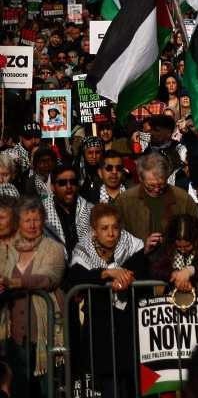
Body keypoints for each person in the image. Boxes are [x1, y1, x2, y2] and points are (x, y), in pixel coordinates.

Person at [65, 204, 147, 398]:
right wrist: (107, 273)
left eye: (115, 227)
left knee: (130, 381)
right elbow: (76, 278)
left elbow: (142, 273)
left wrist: (126, 278)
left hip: (129, 325)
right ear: (94, 230)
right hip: (98, 325)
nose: (111, 233)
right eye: (104, 228)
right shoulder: (82, 250)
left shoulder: (133, 245)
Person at [0, 197, 66, 385]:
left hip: (45, 335)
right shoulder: (9, 249)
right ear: (18, 223)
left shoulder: (53, 248)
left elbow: (49, 277)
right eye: (27, 220)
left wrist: (14, 282)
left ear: (43, 221)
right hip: (13, 336)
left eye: (36, 219)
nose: (32, 225)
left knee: (46, 388)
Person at [113, 152, 198, 254]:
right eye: (151, 185)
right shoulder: (125, 201)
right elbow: (117, 238)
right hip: (139, 261)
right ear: (140, 179)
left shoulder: (182, 199)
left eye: (161, 185)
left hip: (175, 259)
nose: (156, 189)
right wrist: (142, 247)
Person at [42, 162, 92, 253]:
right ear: (53, 187)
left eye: (73, 182)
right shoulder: (41, 214)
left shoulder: (90, 210)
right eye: (62, 183)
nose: (69, 186)